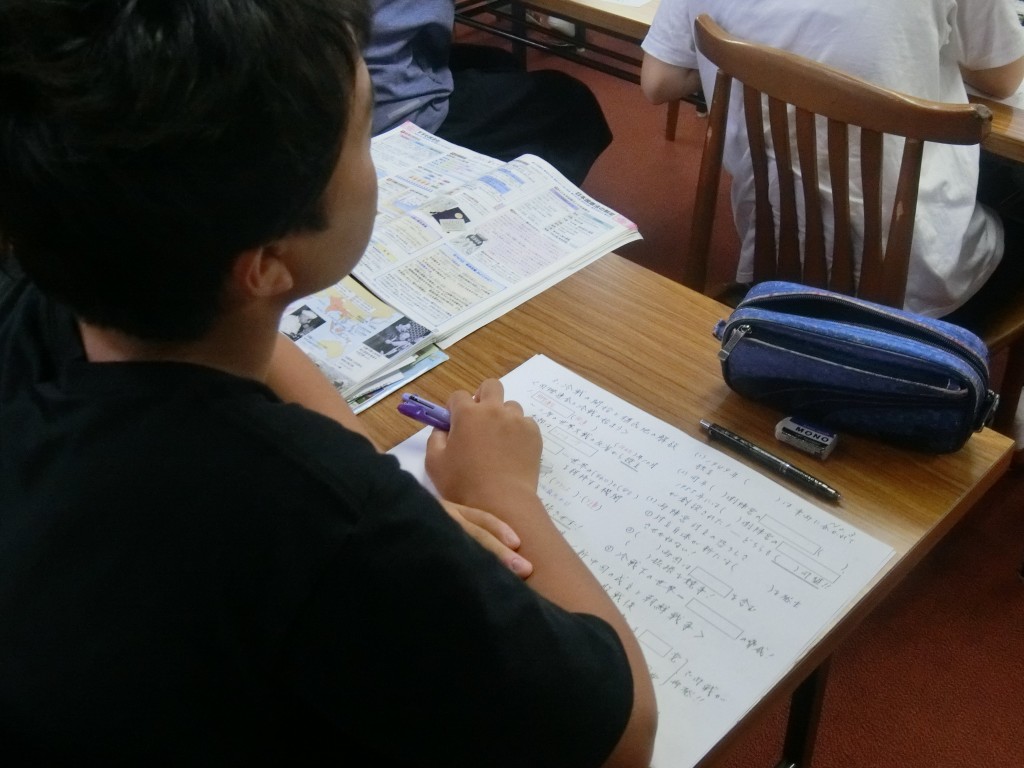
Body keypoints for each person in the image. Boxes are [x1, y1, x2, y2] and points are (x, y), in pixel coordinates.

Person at [0, 1, 656, 765]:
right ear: (266, 264)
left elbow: (259, 346)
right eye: (365, 132)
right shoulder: (311, 522)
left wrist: (370, 469)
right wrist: (502, 490)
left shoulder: (67, 285)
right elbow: (622, 734)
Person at [640, 0, 1024, 319]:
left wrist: (747, 63)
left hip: (773, 261)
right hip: (915, 285)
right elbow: (1003, 78)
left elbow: (659, 81)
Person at [366, 0, 613, 185]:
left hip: (367, 67)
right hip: (388, 105)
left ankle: (489, 164)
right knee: (574, 103)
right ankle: (517, 199)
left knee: (499, 63)